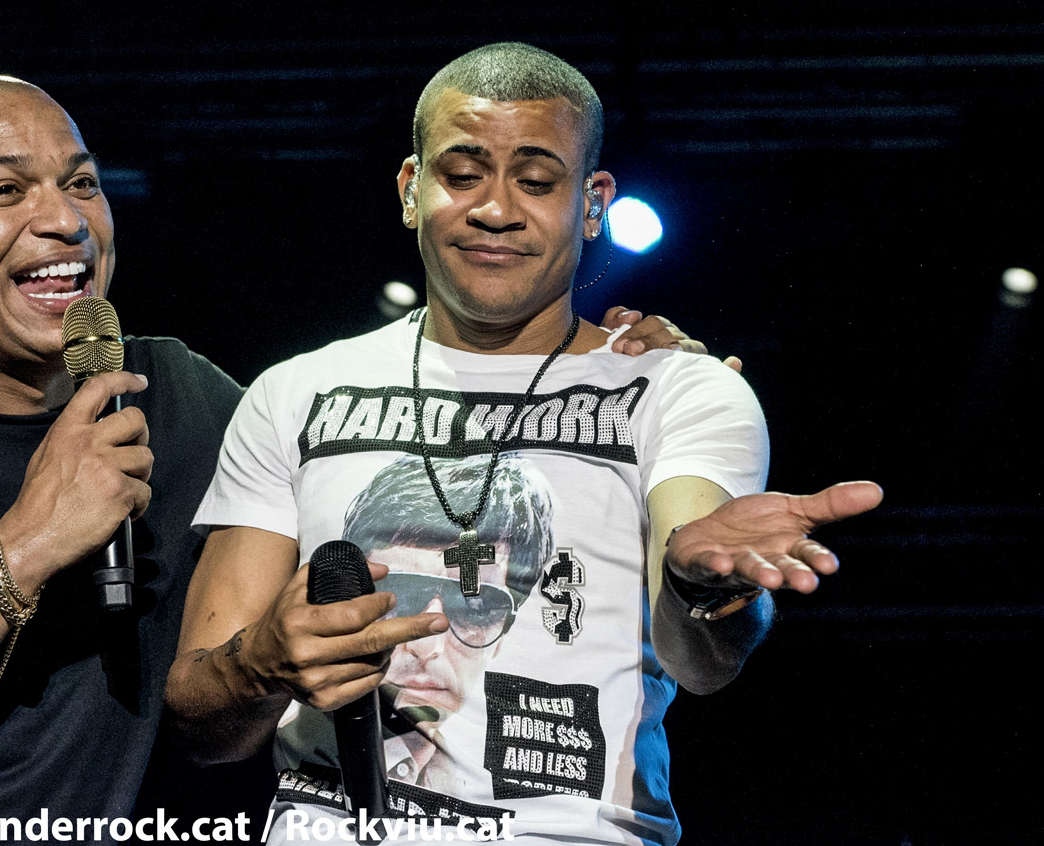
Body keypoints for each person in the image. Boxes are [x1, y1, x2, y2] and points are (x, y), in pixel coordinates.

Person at [0, 72, 701, 840]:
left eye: (81, 183)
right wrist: (28, 543)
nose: (64, 220)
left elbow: (401, 443)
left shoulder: (182, 396)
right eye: (5, 190)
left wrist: (613, 358)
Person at [165, 42, 882, 845]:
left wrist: (702, 585)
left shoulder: (679, 390)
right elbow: (201, 721)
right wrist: (259, 663)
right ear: (410, 190)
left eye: (536, 181)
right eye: (462, 175)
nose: (496, 209)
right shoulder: (293, 394)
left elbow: (704, 663)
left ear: (593, 203)